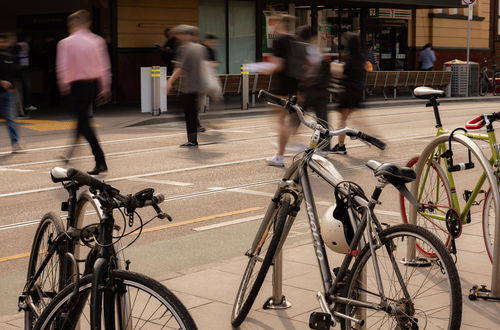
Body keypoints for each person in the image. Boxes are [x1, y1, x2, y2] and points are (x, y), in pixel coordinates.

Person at [56, 9, 110, 174]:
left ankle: (100, 160)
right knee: (82, 120)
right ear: (88, 23)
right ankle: (69, 153)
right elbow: (104, 66)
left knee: (84, 123)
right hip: (91, 86)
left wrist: (63, 85)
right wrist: (105, 87)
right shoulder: (97, 41)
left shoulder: (66, 43)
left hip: (76, 87)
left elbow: (62, 66)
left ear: (73, 24)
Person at [265, 14, 306, 167]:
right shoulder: (296, 41)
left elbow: (279, 65)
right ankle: (297, 143)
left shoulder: (281, 41)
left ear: (281, 25)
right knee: (286, 120)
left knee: (281, 121)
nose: (274, 27)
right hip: (295, 86)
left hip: (283, 86)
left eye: (276, 24)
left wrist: (265, 68)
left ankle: (280, 156)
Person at [166, 25, 206, 148]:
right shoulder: (200, 48)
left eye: (180, 34)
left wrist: (169, 82)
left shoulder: (184, 49)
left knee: (188, 113)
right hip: (199, 85)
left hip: (188, 86)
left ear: (187, 35)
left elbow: (179, 68)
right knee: (192, 113)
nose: (178, 36)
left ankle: (192, 140)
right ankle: (193, 137)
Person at [296, 25, 331, 151]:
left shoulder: (305, 49)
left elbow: (310, 67)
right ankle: (325, 148)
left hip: (309, 88)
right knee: (322, 119)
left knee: (295, 116)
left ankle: (292, 142)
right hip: (321, 88)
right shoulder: (316, 48)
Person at [331, 34, 366, 155]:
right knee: (356, 119)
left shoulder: (351, 60)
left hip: (349, 92)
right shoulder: (361, 59)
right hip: (358, 92)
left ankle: (341, 146)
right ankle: (376, 139)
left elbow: (344, 74)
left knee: (342, 121)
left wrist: (335, 66)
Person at [0, 32, 23, 153]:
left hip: (9, 93)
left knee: (10, 118)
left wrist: (13, 86)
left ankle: (15, 143)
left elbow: (15, 73)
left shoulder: (9, 56)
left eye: (3, 41)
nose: (2, 43)